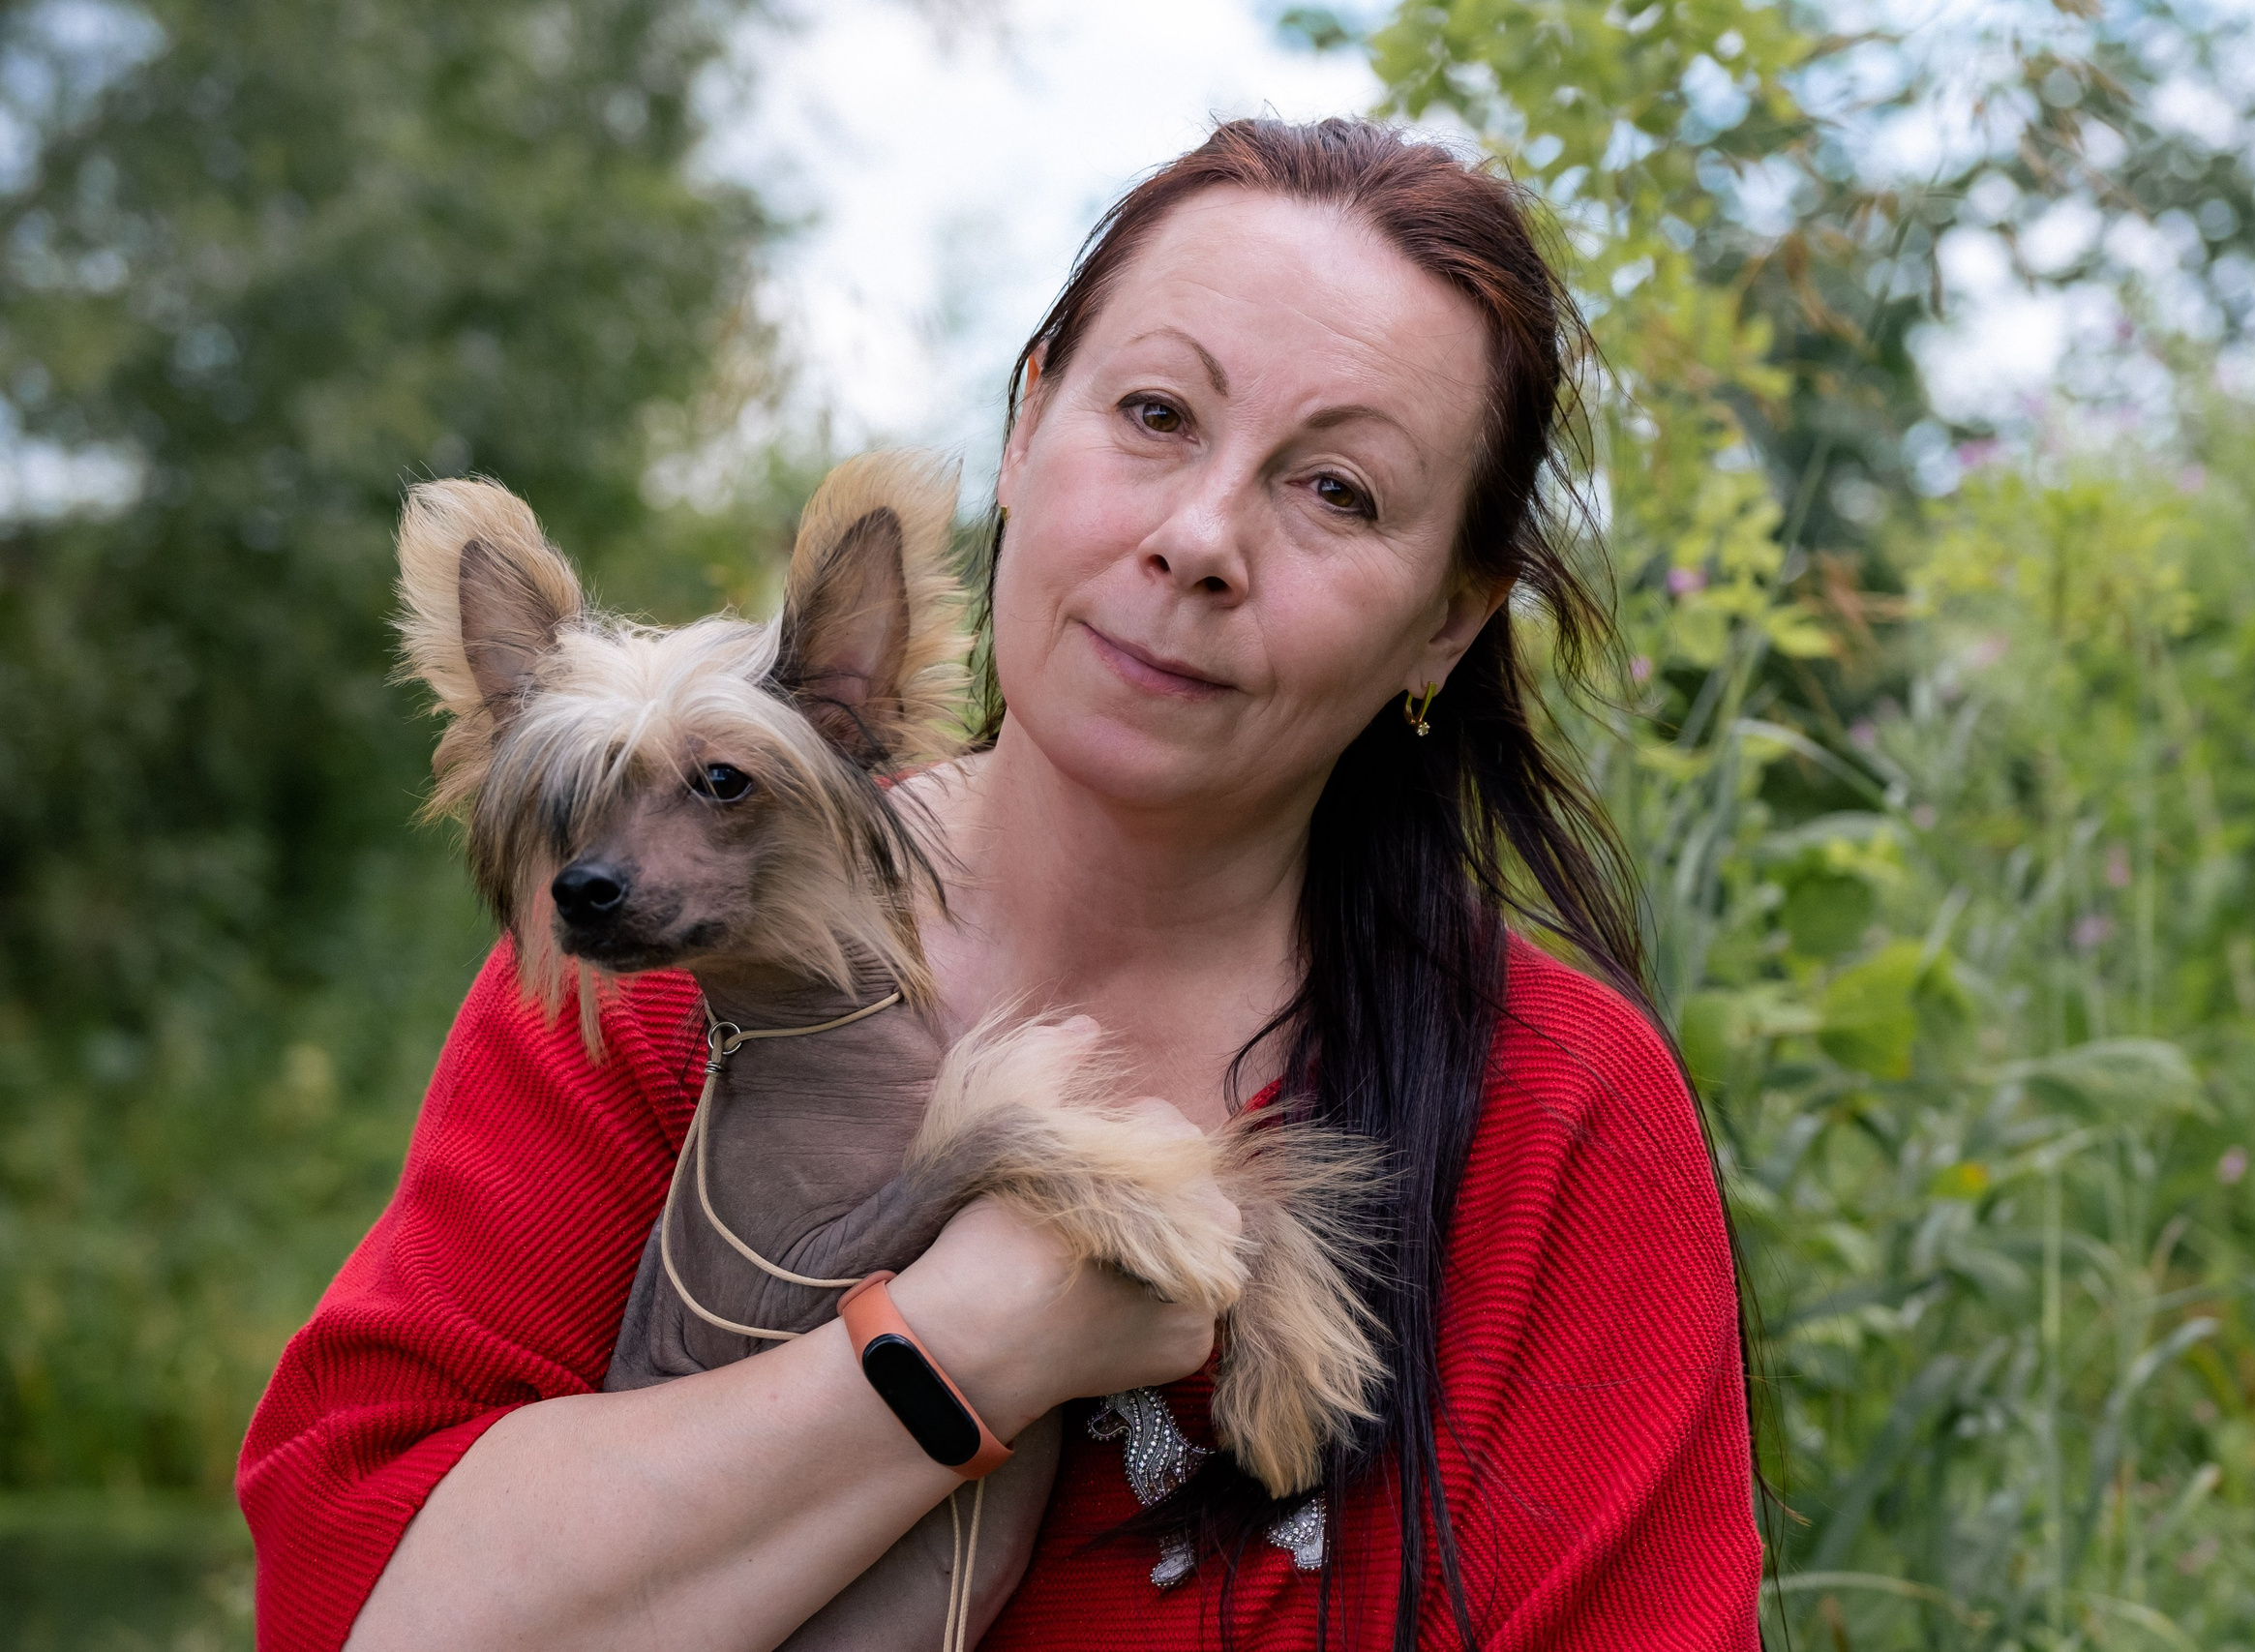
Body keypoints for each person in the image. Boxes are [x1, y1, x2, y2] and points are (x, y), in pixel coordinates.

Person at [237, 116, 1762, 1651]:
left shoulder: (1554, 1117)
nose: (1199, 539)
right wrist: (971, 1339)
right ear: (1028, 430)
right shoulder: (667, 956)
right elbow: (352, 1601)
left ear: (1448, 620)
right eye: (1157, 413)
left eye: (1340, 493)